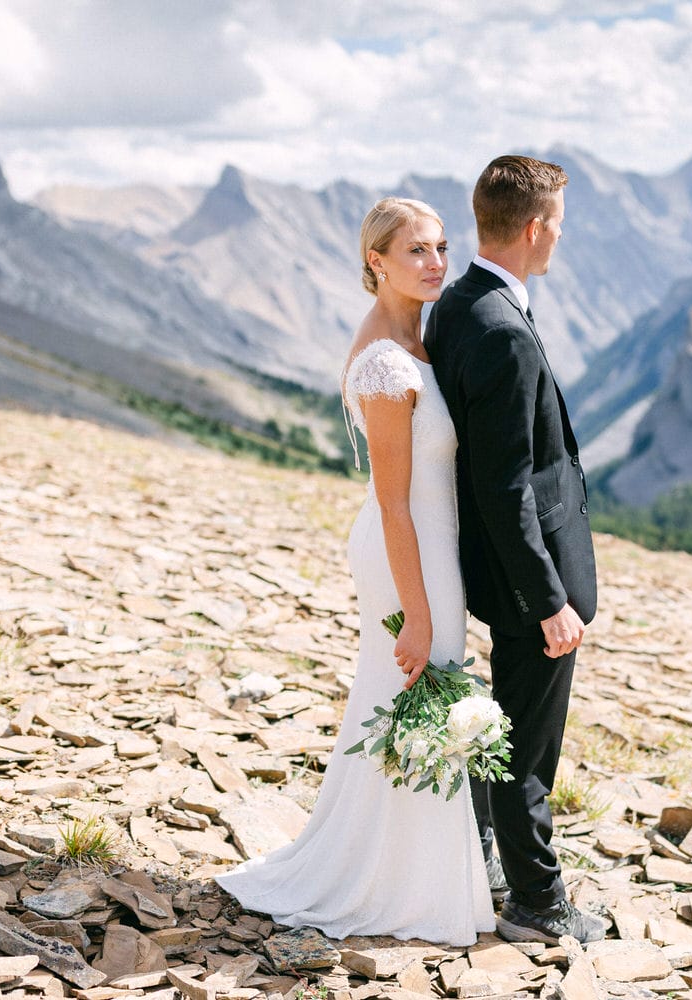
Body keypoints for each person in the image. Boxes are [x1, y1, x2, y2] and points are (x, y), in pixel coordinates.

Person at [215, 197, 493, 946]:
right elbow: (393, 503)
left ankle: (410, 875)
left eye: (440, 248)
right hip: (407, 557)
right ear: (377, 262)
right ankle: (390, 887)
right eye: (416, 252)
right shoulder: (383, 363)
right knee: (410, 697)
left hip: (431, 552)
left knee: (417, 709)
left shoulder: (418, 336)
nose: (436, 263)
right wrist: (421, 614)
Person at [425, 156, 605, 944]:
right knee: (527, 745)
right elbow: (505, 486)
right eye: (558, 223)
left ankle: (486, 860)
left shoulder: (461, 301)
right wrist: (549, 602)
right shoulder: (502, 329)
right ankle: (537, 902)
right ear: (534, 229)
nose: (561, 236)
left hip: (501, 568)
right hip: (526, 580)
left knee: (504, 731)